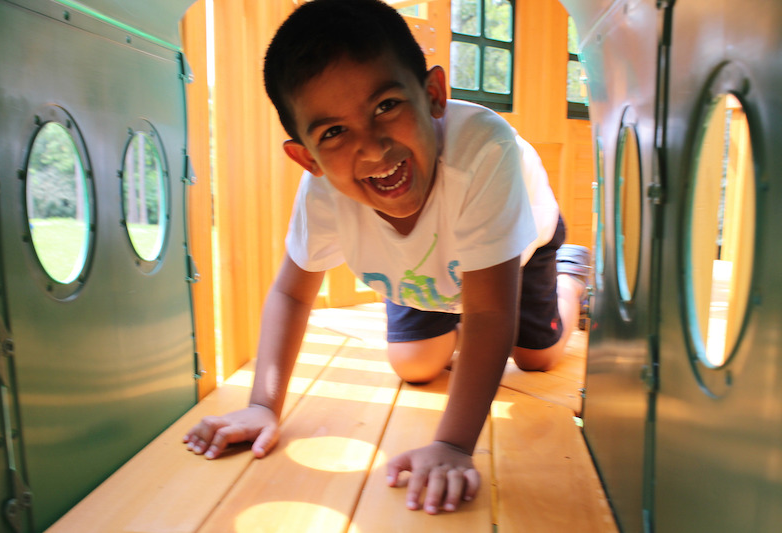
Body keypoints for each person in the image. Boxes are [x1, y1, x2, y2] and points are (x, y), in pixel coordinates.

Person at [184, 0, 590, 515]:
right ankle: (455, 313)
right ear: (307, 159)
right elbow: (291, 290)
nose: (373, 148)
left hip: (518, 244)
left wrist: (453, 446)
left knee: (536, 357)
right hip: (427, 270)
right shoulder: (324, 194)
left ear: (434, 95)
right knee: (415, 366)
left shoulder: (483, 152)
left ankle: (572, 275)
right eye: (333, 132)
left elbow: (490, 314)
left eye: (386, 106)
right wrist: (263, 405)